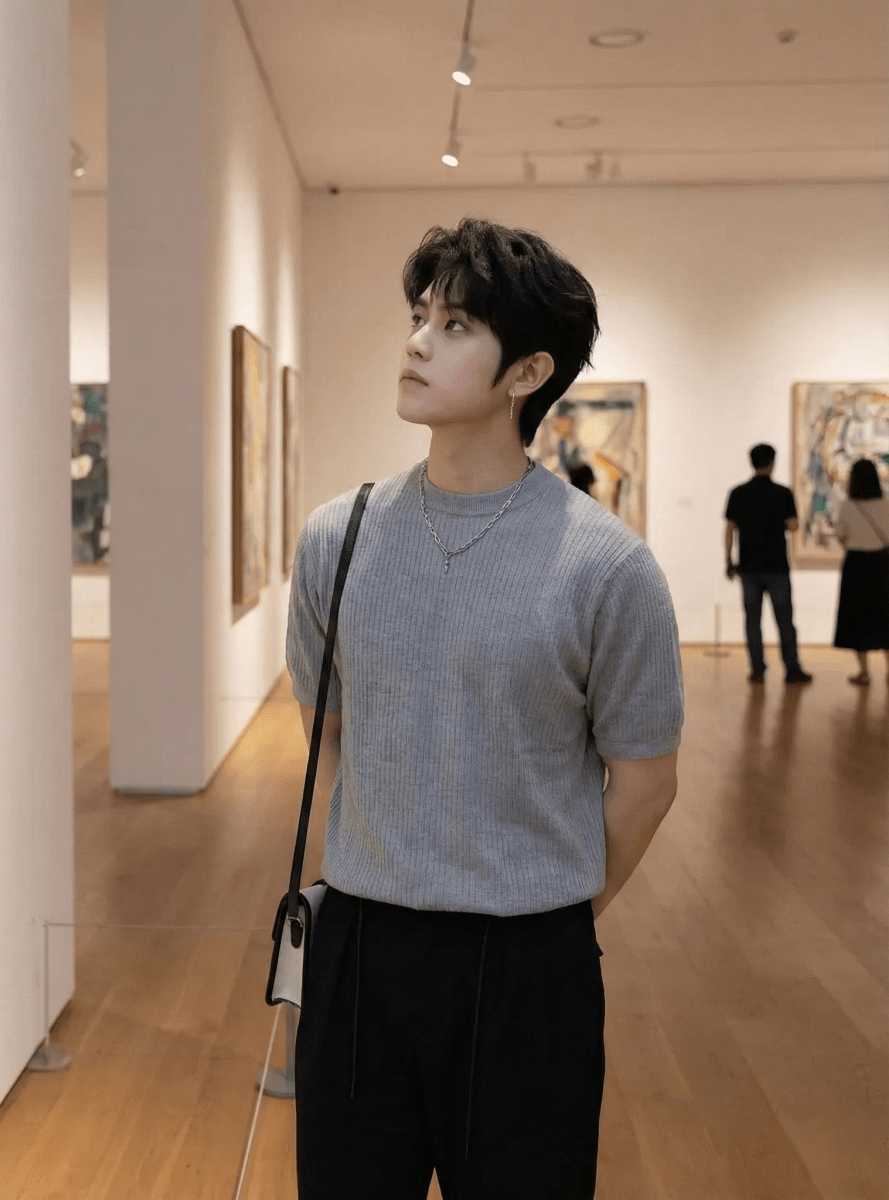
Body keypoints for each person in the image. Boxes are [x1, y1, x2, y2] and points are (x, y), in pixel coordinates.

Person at [287, 219, 684, 1200]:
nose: (418, 342)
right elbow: (329, 733)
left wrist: (540, 914)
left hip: (527, 968)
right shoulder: (337, 539)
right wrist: (388, 861)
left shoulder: (608, 567)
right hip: (360, 954)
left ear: (528, 372)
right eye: (420, 316)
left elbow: (644, 785)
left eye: (456, 324)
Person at [724, 445, 813, 684]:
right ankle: (792, 668)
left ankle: (757, 670)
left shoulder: (738, 493)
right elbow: (793, 525)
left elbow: (730, 529)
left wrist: (728, 560)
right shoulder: (782, 493)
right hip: (776, 567)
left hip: (748, 567)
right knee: (785, 620)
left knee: (752, 621)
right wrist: (775, 524)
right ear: (772, 462)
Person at [833, 458, 889, 685]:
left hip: (856, 565)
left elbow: (841, 536)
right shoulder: (886, 503)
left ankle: (864, 672)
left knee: (858, 618)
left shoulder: (848, 506)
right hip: (883, 563)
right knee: (886, 616)